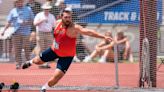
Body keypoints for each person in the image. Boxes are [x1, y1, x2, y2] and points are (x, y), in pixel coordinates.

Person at [22, 8, 112, 92]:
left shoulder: (74, 28)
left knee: (57, 77)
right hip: (54, 51)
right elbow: (56, 34)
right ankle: (30, 62)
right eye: (66, 17)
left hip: (67, 56)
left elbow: (88, 32)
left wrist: (103, 36)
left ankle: (44, 88)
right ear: (61, 17)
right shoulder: (57, 23)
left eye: (69, 17)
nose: (68, 19)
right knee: (38, 61)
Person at [0, 0, 34, 69]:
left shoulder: (28, 9)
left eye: (21, 2)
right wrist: (4, 30)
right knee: (17, 49)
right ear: (16, 3)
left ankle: (27, 63)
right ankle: (18, 63)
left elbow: (33, 20)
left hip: (26, 32)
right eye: (18, 2)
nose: (20, 3)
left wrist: (26, 22)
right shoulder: (13, 11)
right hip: (16, 33)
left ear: (23, 2)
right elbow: (9, 22)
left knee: (26, 48)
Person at [33, 2, 56, 69]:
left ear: (49, 9)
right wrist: (41, 20)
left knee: (48, 49)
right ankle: (40, 63)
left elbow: (54, 26)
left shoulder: (52, 16)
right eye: (45, 9)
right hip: (41, 33)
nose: (46, 10)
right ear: (43, 9)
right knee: (40, 48)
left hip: (49, 33)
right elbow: (35, 24)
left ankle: (46, 63)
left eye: (47, 9)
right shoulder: (39, 15)